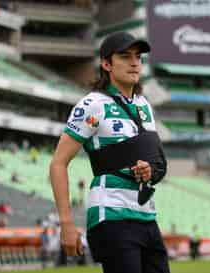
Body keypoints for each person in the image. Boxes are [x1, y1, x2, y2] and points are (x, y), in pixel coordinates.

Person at [50, 32, 169, 273]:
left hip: (146, 216)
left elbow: (153, 163)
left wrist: (147, 171)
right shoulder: (92, 104)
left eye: (138, 57)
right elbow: (58, 164)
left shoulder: (143, 105)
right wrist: (66, 223)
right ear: (106, 64)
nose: (135, 62)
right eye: (125, 56)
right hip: (111, 216)